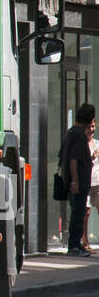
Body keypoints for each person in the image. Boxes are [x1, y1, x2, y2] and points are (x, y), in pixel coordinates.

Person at [60, 103, 96, 259]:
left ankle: (76, 244)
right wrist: (75, 181)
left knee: (78, 213)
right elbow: (74, 159)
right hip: (78, 183)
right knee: (78, 214)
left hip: (74, 182)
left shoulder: (71, 132)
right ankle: (74, 245)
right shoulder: (80, 135)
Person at [85, 123, 99, 255]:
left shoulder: (97, 144)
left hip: (98, 182)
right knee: (86, 213)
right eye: (89, 127)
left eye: (93, 127)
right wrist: (92, 157)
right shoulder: (83, 145)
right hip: (87, 183)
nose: (92, 129)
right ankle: (85, 241)